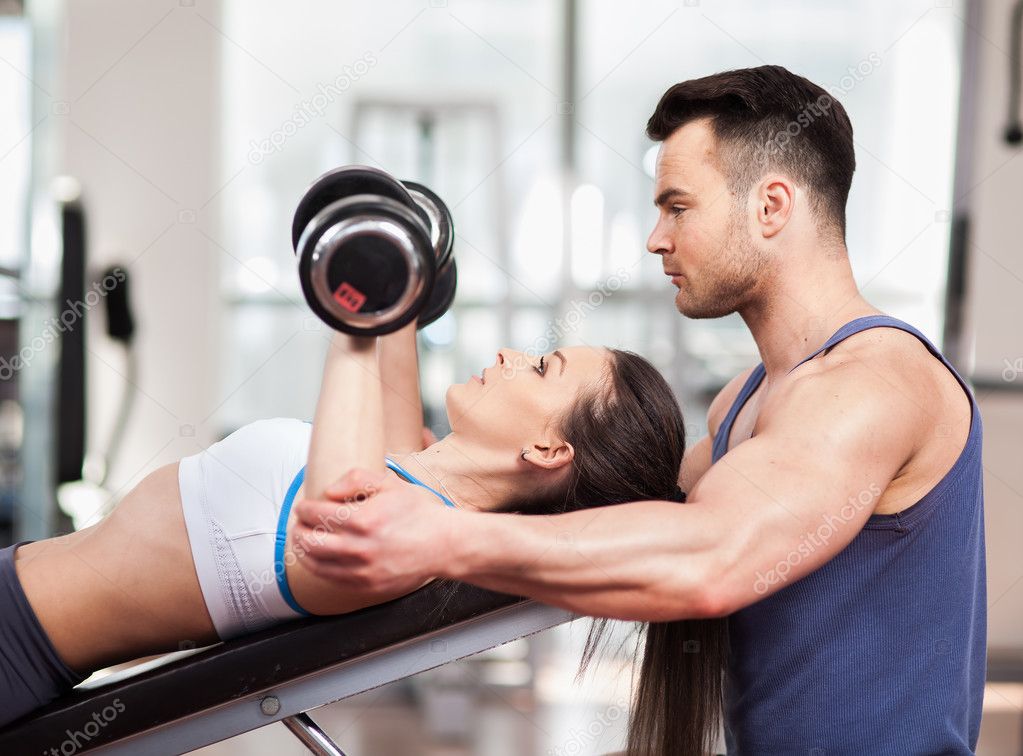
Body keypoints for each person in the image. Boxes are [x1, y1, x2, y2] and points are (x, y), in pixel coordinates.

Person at [293, 66, 986, 756]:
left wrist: (441, 534)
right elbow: (619, 518)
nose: (656, 239)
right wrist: (439, 475)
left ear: (771, 206)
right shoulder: (742, 402)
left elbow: (714, 555)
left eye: (677, 207)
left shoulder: (874, 381)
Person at [0, 322, 696, 731]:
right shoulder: (410, 474)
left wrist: (355, 304)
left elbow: (334, 499)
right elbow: (390, 339)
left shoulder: (388, 537)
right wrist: (399, 277)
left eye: (542, 368)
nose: (513, 355)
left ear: (547, 450)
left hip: (15, 640)